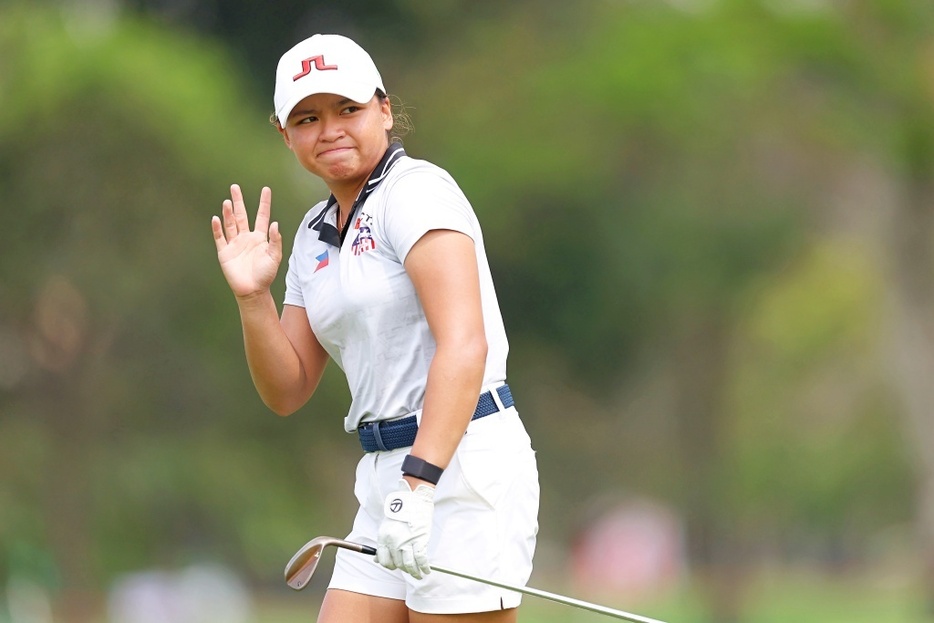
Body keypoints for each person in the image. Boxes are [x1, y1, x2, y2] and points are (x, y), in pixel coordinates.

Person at [211, 33, 539, 623]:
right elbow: (287, 389)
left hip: (461, 466)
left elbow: (464, 344)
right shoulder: (313, 232)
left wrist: (420, 487)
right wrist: (253, 297)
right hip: (388, 475)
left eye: (348, 109)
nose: (330, 129)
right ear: (285, 134)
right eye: (307, 117)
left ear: (384, 110)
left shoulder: (416, 194)